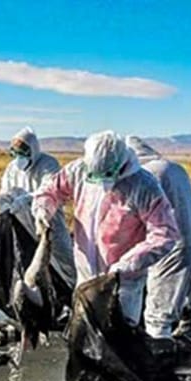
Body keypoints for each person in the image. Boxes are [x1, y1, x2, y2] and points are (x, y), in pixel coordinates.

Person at [32, 130, 179, 328]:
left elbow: (165, 234)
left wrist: (127, 263)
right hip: (85, 273)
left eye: (107, 175)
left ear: (121, 164)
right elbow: (50, 191)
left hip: (122, 281)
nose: (100, 181)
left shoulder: (143, 186)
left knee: (119, 332)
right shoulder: (78, 171)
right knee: (85, 329)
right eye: (94, 175)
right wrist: (43, 210)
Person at [127, 136, 191, 337]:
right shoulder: (176, 169)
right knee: (188, 307)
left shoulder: (147, 174)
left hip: (172, 253)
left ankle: (160, 362)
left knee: (157, 318)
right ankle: (190, 347)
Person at [0, 126, 76, 287]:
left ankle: (73, 293)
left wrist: (25, 200)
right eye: (15, 153)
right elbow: (5, 191)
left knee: (64, 259)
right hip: (21, 223)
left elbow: (49, 189)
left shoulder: (48, 164)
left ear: (32, 150)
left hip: (48, 221)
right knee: (28, 262)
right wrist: (4, 205)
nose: (18, 157)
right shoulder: (12, 168)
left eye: (22, 152)